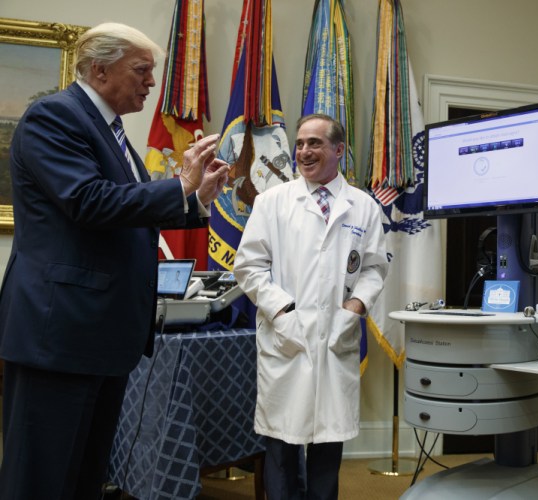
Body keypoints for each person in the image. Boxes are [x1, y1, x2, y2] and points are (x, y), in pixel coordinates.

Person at [0, 23, 229, 500]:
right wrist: (180, 185)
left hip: (99, 334)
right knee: (41, 480)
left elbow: (126, 212)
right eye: (142, 70)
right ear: (100, 69)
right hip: (59, 335)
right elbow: (87, 201)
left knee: (84, 477)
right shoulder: (55, 117)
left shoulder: (111, 129)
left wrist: (196, 197)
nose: (151, 83)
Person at [233, 114, 388, 500]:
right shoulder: (273, 202)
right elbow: (248, 267)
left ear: (338, 150)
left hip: (336, 339)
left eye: (314, 143)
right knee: (281, 452)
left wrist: (355, 306)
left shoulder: (363, 207)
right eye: (300, 143)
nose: (303, 151)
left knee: (327, 451)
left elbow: (374, 267)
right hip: (288, 340)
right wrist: (283, 312)